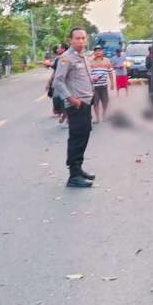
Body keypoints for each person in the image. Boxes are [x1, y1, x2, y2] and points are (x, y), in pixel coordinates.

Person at [52, 28, 96, 188]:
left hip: (86, 103)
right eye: (77, 38)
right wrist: (72, 99)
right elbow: (58, 81)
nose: (81, 41)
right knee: (77, 138)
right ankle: (73, 176)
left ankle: (78, 169)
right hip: (76, 105)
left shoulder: (83, 56)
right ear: (70, 40)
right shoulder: (66, 58)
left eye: (83, 38)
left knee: (84, 136)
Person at [89, 45, 115, 123]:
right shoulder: (90, 61)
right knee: (95, 102)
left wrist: (112, 83)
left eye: (99, 50)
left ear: (102, 52)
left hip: (104, 85)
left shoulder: (107, 61)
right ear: (94, 52)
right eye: (96, 51)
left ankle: (104, 114)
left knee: (105, 101)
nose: (98, 52)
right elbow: (87, 73)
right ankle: (97, 118)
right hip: (94, 86)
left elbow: (110, 72)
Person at [46, 44, 67, 122]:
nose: (57, 49)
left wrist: (49, 64)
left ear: (63, 49)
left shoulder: (66, 58)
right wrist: (49, 82)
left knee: (64, 100)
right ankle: (61, 114)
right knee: (56, 98)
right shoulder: (58, 58)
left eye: (58, 48)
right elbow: (55, 71)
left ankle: (65, 117)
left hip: (65, 82)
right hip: (58, 82)